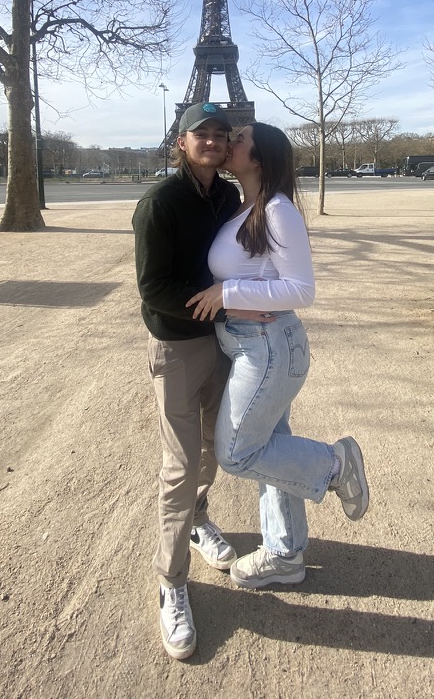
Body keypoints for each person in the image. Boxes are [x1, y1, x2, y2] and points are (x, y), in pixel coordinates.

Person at [186, 122, 369, 590]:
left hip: (266, 349)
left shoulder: (277, 210)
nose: (230, 143)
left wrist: (228, 291)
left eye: (240, 139)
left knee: (236, 452)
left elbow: (301, 290)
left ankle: (335, 463)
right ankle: (285, 554)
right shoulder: (243, 207)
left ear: (260, 157)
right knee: (271, 448)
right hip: (250, 345)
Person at [132, 102, 243, 661]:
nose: (214, 141)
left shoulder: (228, 197)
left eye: (222, 135)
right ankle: (171, 581)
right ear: (181, 142)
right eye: (204, 133)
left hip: (222, 342)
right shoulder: (159, 202)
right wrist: (219, 308)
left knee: (216, 445)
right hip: (177, 346)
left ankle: (198, 516)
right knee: (178, 466)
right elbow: (152, 287)